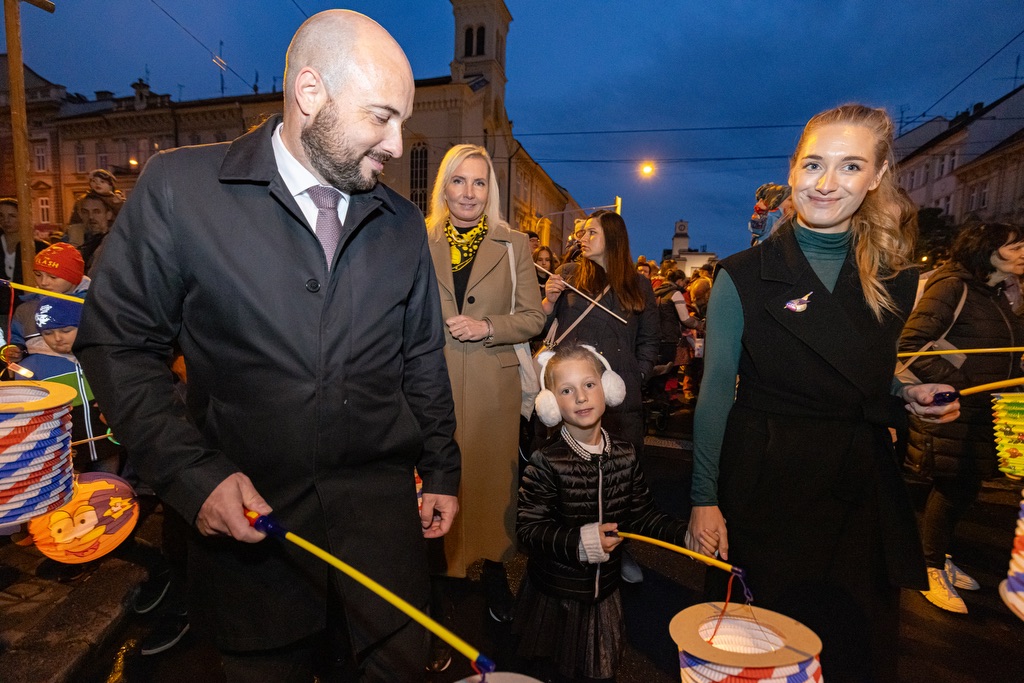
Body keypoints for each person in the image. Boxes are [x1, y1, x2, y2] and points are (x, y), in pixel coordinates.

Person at [74, 10, 460, 682]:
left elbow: (422, 357)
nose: (398, 144)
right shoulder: (180, 191)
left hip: (385, 549)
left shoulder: (400, 225)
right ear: (311, 94)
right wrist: (195, 477)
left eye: (402, 120)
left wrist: (444, 468)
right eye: (381, 117)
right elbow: (117, 343)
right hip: (257, 554)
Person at [686, 103, 960, 682]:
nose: (827, 183)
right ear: (792, 170)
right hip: (764, 478)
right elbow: (715, 393)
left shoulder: (898, 276)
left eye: (850, 166)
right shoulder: (742, 274)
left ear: (878, 177)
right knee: (759, 647)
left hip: (858, 481)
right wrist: (703, 498)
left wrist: (907, 391)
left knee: (850, 645)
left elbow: (864, 365)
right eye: (814, 164)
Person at [424, 143, 544, 669]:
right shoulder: (418, 240)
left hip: (494, 389)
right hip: (432, 384)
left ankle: (495, 575)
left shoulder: (512, 242)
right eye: (459, 181)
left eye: (479, 183)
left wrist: (488, 327)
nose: (469, 193)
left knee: (495, 483)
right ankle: (442, 587)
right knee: (440, 481)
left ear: (488, 191)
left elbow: (533, 318)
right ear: (444, 187)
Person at [514, 342, 698, 682]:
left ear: (608, 387)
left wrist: (685, 535)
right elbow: (528, 528)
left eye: (589, 385)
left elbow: (642, 515)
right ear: (551, 404)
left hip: (605, 593)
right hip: (558, 594)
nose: (581, 397)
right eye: (567, 390)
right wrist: (580, 542)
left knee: (598, 670)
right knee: (555, 668)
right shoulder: (547, 461)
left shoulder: (625, 455)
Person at [899, 222, 1024, 614]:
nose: (1022, 254)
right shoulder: (953, 286)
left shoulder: (999, 294)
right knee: (951, 487)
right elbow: (911, 345)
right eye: (1014, 247)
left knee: (965, 486)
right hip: (957, 408)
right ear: (985, 249)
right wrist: (955, 384)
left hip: (989, 410)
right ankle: (929, 566)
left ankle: (938, 556)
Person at [542, 209, 659, 459]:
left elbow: (649, 338)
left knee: (620, 465)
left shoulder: (639, 284)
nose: (582, 238)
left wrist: (637, 374)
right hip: (572, 390)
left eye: (591, 232)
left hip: (620, 393)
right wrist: (549, 302)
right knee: (569, 467)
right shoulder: (568, 273)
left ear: (613, 238)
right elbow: (541, 327)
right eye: (583, 232)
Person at [9, 243, 90, 356]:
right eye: (38, 275)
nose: (43, 282)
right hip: (40, 372)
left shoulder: (91, 306)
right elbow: (16, 340)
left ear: (73, 277)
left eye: (53, 277)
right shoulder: (26, 309)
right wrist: (14, 351)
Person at [0, 197, 50, 326]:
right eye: (1, 215)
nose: (6, 220)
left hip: (27, 308)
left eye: (12, 216)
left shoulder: (38, 247)